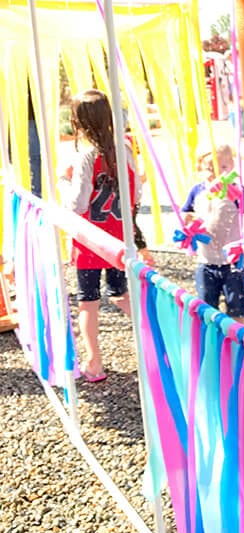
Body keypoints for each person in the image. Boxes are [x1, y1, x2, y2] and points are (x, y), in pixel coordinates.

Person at [59, 90, 142, 383]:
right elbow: (136, 194)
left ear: (78, 122)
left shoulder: (86, 157)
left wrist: (64, 180)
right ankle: (156, 344)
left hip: (92, 241)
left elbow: (78, 204)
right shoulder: (125, 150)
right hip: (119, 239)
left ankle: (94, 364)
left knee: (88, 302)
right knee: (121, 294)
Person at [181, 144, 244, 319]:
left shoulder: (238, 192)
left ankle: (237, 341)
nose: (217, 173)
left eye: (224, 167)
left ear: (232, 167)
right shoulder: (197, 191)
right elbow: (186, 212)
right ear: (199, 168)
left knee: (237, 309)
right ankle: (213, 343)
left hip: (233, 262)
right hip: (206, 261)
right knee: (206, 310)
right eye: (210, 168)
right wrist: (187, 220)